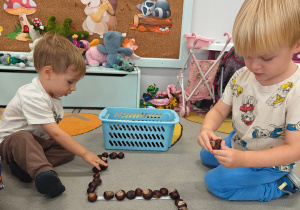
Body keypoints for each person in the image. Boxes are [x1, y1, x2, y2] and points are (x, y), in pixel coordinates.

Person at [197, 0, 300, 202]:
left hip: (271, 161)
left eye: (267, 58)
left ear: (296, 44)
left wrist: (243, 160)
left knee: (216, 183)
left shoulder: (296, 90)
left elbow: (293, 150)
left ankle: (281, 185)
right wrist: (206, 129)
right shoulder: (242, 75)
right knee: (206, 154)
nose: (253, 66)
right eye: (245, 55)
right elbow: (219, 111)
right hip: (242, 141)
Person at [0, 33, 107, 198]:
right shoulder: (32, 96)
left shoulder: (51, 94)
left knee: (67, 149)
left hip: (35, 140)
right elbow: (54, 131)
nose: (73, 88)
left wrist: (78, 151)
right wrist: (85, 153)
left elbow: (55, 136)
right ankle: (44, 174)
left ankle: (24, 167)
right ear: (48, 72)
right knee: (23, 137)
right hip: (11, 143)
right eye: (70, 82)